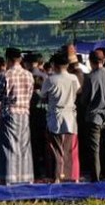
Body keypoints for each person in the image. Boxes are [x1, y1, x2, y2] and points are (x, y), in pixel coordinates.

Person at [0, 47, 35, 184]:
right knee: (24, 146)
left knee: (9, 146)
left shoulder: (5, 75)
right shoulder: (28, 75)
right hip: (25, 113)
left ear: (8, 59)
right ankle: (26, 177)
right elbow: (30, 94)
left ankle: (9, 177)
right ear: (20, 59)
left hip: (9, 112)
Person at [40, 52, 80, 182]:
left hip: (55, 117)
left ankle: (56, 176)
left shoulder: (50, 80)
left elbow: (43, 96)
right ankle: (72, 176)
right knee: (71, 149)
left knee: (56, 149)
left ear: (54, 65)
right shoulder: (73, 78)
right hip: (70, 116)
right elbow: (77, 91)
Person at [80, 48, 105, 181]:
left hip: (94, 117)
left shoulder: (90, 78)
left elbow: (84, 100)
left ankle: (95, 175)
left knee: (94, 148)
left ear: (91, 62)